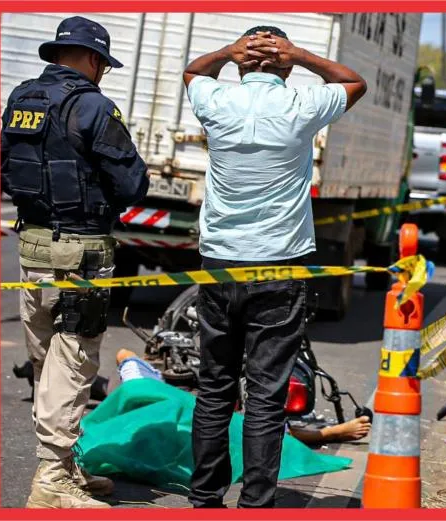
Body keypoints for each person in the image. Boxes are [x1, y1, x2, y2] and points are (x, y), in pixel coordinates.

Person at [182, 26, 366, 508]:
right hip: (279, 269)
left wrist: (226, 52)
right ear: (285, 67)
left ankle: (204, 499)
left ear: (241, 65)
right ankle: (256, 505)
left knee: (215, 388)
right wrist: (300, 55)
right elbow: (353, 83)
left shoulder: (216, 101)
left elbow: (192, 72)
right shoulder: (302, 106)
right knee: (265, 397)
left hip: (219, 266)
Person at [1, 16, 149, 508]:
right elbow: (132, 185)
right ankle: (51, 482)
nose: (102, 72)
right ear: (92, 59)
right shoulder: (93, 106)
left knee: (48, 360)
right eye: (103, 63)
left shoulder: (22, 99)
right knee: (73, 360)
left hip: (31, 247)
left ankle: (63, 466)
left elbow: (6, 169)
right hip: (81, 252)